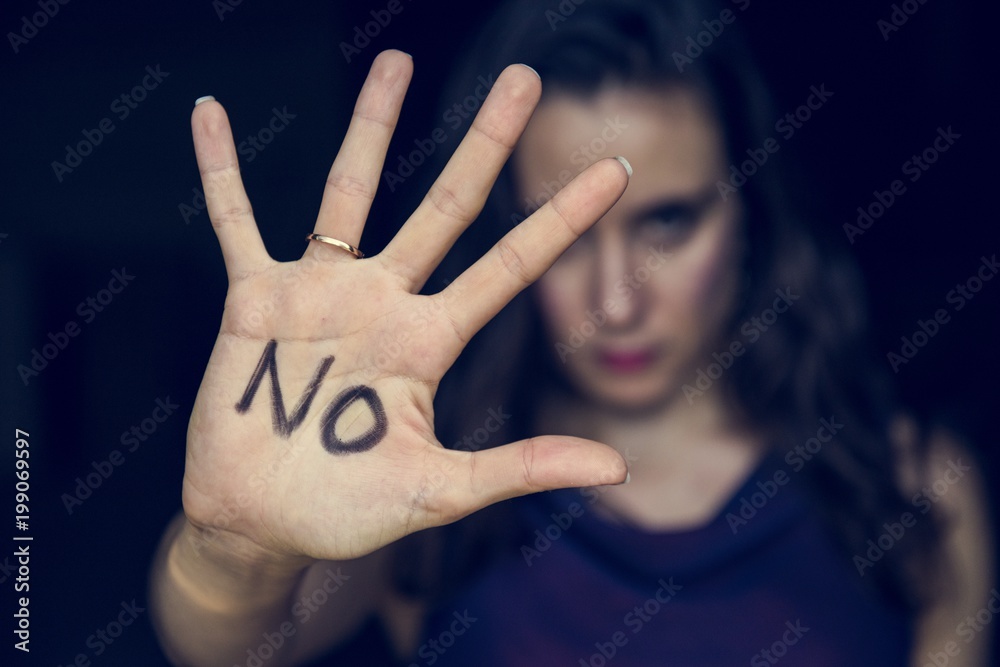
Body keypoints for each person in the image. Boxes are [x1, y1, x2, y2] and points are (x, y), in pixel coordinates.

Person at [150, 1, 994, 665]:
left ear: (750, 213)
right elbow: (231, 647)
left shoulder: (910, 485)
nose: (617, 301)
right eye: (563, 234)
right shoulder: (422, 478)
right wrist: (235, 546)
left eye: (668, 222)